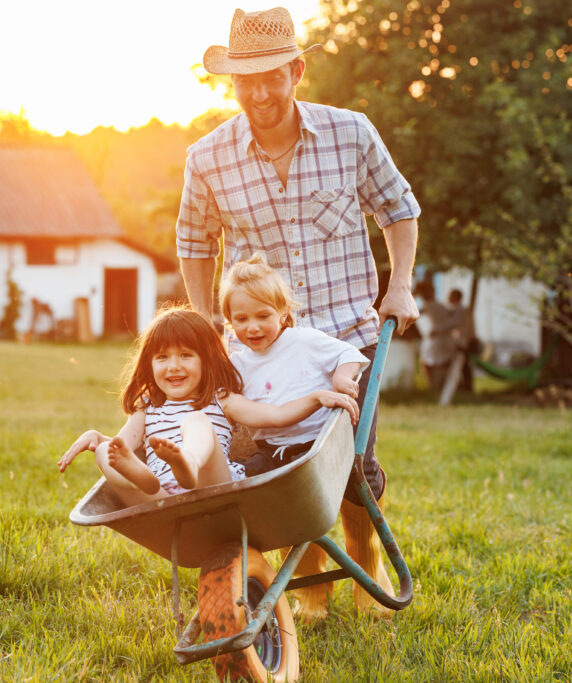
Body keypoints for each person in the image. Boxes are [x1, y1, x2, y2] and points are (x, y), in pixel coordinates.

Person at [175, 6, 422, 618]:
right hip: (259, 346)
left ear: (297, 71)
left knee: (350, 469)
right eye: (245, 80)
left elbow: (398, 208)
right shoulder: (208, 157)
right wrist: (208, 320)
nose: (259, 93)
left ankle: (361, 565)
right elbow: (194, 242)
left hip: (345, 336)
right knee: (269, 465)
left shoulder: (350, 133)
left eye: (271, 76)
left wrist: (400, 285)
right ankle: (299, 588)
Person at [220, 255, 394, 621]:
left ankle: (368, 574)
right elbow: (221, 395)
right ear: (230, 321)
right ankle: (310, 593)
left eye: (263, 316)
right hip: (273, 451)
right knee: (262, 495)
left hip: (320, 446)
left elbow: (348, 354)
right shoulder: (237, 362)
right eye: (241, 319)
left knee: (357, 477)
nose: (252, 327)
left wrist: (342, 378)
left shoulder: (304, 341)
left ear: (283, 313)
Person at [57, 306, 358, 508]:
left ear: (206, 359)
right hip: (160, 499)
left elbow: (275, 416)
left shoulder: (221, 397)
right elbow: (122, 446)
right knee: (104, 452)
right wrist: (99, 440)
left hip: (213, 488)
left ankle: (187, 461)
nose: (173, 367)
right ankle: (142, 477)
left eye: (186, 355)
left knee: (196, 422)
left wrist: (317, 397)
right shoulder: (147, 406)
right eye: (162, 358)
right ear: (149, 364)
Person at [415, 280, 457, 392]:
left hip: (436, 340)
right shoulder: (437, 306)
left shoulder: (433, 306)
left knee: (431, 364)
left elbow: (449, 323)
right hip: (438, 340)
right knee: (435, 364)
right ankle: (437, 387)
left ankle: (435, 387)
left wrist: (437, 330)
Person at [448, 289, 477, 392]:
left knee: (464, 366)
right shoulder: (460, 310)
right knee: (464, 366)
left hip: (463, 342)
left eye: (451, 296)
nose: (448, 298)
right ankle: (464, 385)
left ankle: (466, 386)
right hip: (463, 341)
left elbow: (455, 325)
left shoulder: (460, 310)